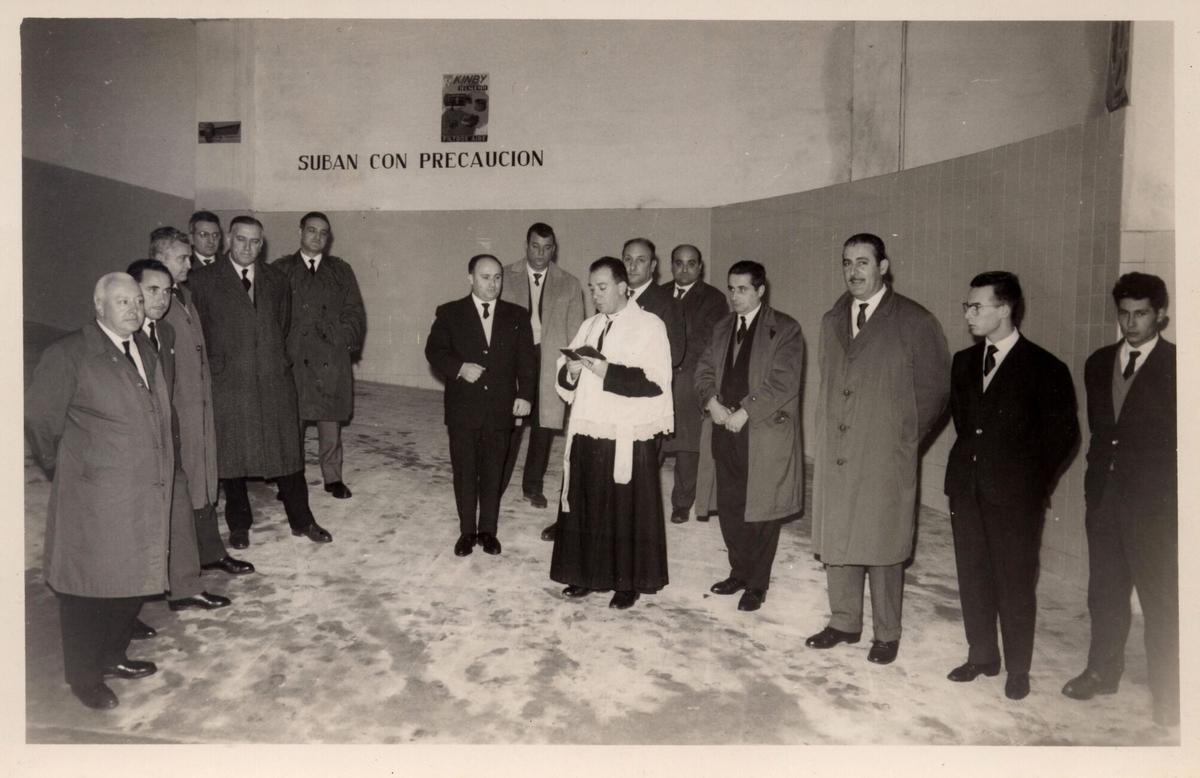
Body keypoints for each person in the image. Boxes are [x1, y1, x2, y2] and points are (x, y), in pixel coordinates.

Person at [26, 273, 173, 710]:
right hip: (94, 495)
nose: (134, 309)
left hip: (141, 490)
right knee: (87, 585)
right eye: (122, 301)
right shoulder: (69, 354)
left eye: (137, 301)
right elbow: (40, 421)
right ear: (99, 307)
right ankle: (83, 676)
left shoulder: (143, 347)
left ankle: (112, 655)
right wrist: (68, 470)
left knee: (130, 577)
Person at [807, 233, 950, 665]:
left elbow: (935, 391)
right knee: (840, 535)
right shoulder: (832, 318)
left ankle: (887, 632)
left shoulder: (915, 320)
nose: (853, 271)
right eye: (847, 263)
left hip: (884, 452)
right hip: (838, 449)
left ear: (883, 267)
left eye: (863, 262)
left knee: (884, 542)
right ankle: (844, 621)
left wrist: (901, 437)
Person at [943, 271, 1078, 701]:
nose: (968, 314)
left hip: (1016, 499)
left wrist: (1031, 485)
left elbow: (1063, 437)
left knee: (1015, 583)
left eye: (976, 306)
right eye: (967, 306)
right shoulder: (963, 362)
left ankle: (1018, 669)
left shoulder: (1045, 367)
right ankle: (982, 655)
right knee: (973, 576)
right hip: (967, 488)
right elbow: (966, 425)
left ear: (1005, 309)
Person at [1062, 272, 1178, 727]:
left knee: (1161, 599)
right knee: (1105, 592)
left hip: (1155, 507)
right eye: (1124, 314)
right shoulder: (1098, 363)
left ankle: (1171, 694)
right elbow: (1100, 434)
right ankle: (1102, 672)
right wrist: (1095, 490)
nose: (1131, 323)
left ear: (1160, 315)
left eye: (1141, 314)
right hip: (1105, 499)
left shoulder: (1179, 366)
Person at [188, 215, 332, 548]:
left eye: (255, 242)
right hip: (229, 380)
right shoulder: (203, 280)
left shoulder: (276, 279)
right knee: (232, 455)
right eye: (241, 240)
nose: (247, 247)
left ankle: (302, 520)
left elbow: (282, 325)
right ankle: (239, 524)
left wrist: (273, 360)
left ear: (262, 244)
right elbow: (201, 331)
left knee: (287, 451)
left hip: (271, 377)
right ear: (229, 239)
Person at [549, 257, 674, 610]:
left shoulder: (649, 326)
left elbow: (655, 382)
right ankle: (585, 575)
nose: (595, 295)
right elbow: (565, 377)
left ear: (623, 287)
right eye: (592, 289)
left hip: (625, 435)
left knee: (624, 510)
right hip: (588, 429)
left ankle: (626, 582)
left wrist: (606, 370)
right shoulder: (589, 325)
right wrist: (572, 370)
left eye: (602, 288)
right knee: (586, 504)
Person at [694, 261, 804, 612]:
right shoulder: (722, 327)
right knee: (730, 506)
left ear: (761, 290)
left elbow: (783, 381)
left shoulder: (785, 329)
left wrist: (745, 411)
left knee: (761, 510)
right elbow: (703, 370)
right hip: (723, 430)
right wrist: (711, 402)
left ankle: (757, 584)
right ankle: (738, 572)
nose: (735, 296)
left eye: (743, 289)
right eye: (731, 288)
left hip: (761, 433)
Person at [127, 258, 233, 619]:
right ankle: (122, 610)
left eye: (166, 291)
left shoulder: (165, 333)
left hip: (167, 442)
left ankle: (185, 588)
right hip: (132, 450)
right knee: (132, 526)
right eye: (152, 290)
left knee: (180, 511)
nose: (161, 299)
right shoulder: (122, 335)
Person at [149, 227, 254, 577]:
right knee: (185, 484)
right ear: (159, 259)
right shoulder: (154, 302)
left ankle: (210, 551)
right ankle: (184, 564)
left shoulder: (183, 294)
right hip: (179, 407)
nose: (189, 263)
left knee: (205, 479)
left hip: (201, 404)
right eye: (181, 258)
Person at [425, 255, 536, 556]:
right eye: (485, 277)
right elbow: (434, 351)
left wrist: (525, 395)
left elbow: (527, 361)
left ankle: (488, 531)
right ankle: (466, 532)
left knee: (493, 471)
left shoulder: (517, 315)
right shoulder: (450, 313)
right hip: (463, 409)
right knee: (464, 471)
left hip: (501, 409)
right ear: (470, 278)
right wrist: (460, 367)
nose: (493, 284)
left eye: (498, 277)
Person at [499, 223, 586, 539]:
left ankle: (532, 486)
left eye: (547, 248)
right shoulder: (504, 276)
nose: (540, 253)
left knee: (544, 425)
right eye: (535, 246)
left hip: (551, 360)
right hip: (514, 360)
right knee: (508, 422)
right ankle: (496, 483)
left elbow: (576, 332)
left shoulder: (570, 284)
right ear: (526, 245)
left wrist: (574, 369)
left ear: (554, 250)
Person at [273, 211, 367, 500]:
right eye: (311, 230)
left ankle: (333, 477)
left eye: (323, 232)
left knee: (330, 421)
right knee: (292, 423)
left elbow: (354, 311)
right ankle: (291, 480)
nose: (317, 237)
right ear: (300, 232)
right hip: (294, 356)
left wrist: (342, 340)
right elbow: (269, 313)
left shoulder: (340, 270)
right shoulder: (280, 269)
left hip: (330, 355)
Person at [660, 244, 727, 524]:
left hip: (690, 378)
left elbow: (707, 341)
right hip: (659, 377)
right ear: (671, 266)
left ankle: (682, 503)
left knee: (688, 446)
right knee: (650, 440)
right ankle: (640, 497)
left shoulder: (714, 299)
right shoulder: (660, 293)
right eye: (679, 263)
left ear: (700, 267)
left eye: (691, 263)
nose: (684, 269)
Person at [621, 237, 685, 369]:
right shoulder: (612, 297)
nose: (632, 266)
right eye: (628, 259)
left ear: (652, 266)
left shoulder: (668, 303)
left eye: (641, 260)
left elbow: (674, 356)